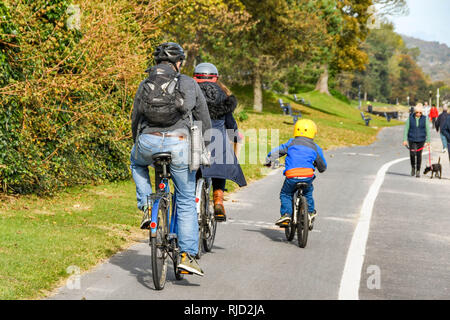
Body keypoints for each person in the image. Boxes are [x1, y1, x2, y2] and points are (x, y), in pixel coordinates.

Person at [130, 42, 212, 276]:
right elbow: (203, 118)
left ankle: (147, 205)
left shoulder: (145, 83)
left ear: (156, 62)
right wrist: (204, 146)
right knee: (185, 200)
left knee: (136, 162)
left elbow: (135, 117)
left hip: (148, 141)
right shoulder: (188, 83)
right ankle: (187, 256)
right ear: (178, 63)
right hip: (179, 144)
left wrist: (138, 142)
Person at [193, 62, 247, 222]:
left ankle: (191, 199)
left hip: (194, 138)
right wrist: (235, 136)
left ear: (195, 77)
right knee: (221, 162)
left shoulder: (190, 92)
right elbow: (230, 123)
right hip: (216, 140)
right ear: (215, 78)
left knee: (192, 168)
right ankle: (218, 200)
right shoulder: (223, 94)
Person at [265, 119, 327, 227]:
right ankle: (310, 212)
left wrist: (269, 160)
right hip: (307, 175)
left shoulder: (291, 143)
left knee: (286, 194)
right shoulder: (315, 147)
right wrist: (319, 167)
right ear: (313, 132)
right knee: (308, 193)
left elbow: (278, 151)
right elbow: (322, 166)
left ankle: (286, 215)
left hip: (292, 175)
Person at [403, 103, 430, 178]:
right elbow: (406, 129)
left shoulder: (425, 119)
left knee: (418, 155)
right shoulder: (410, 118)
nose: (418, 114)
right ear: (415, 112)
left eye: (420, 112)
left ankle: (418, 170)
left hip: (421, 139)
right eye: (417, 112)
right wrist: (405, 139)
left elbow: (427, 130)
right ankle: (413, 168)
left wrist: (428, 140)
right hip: (412, 139)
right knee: (412, 154)